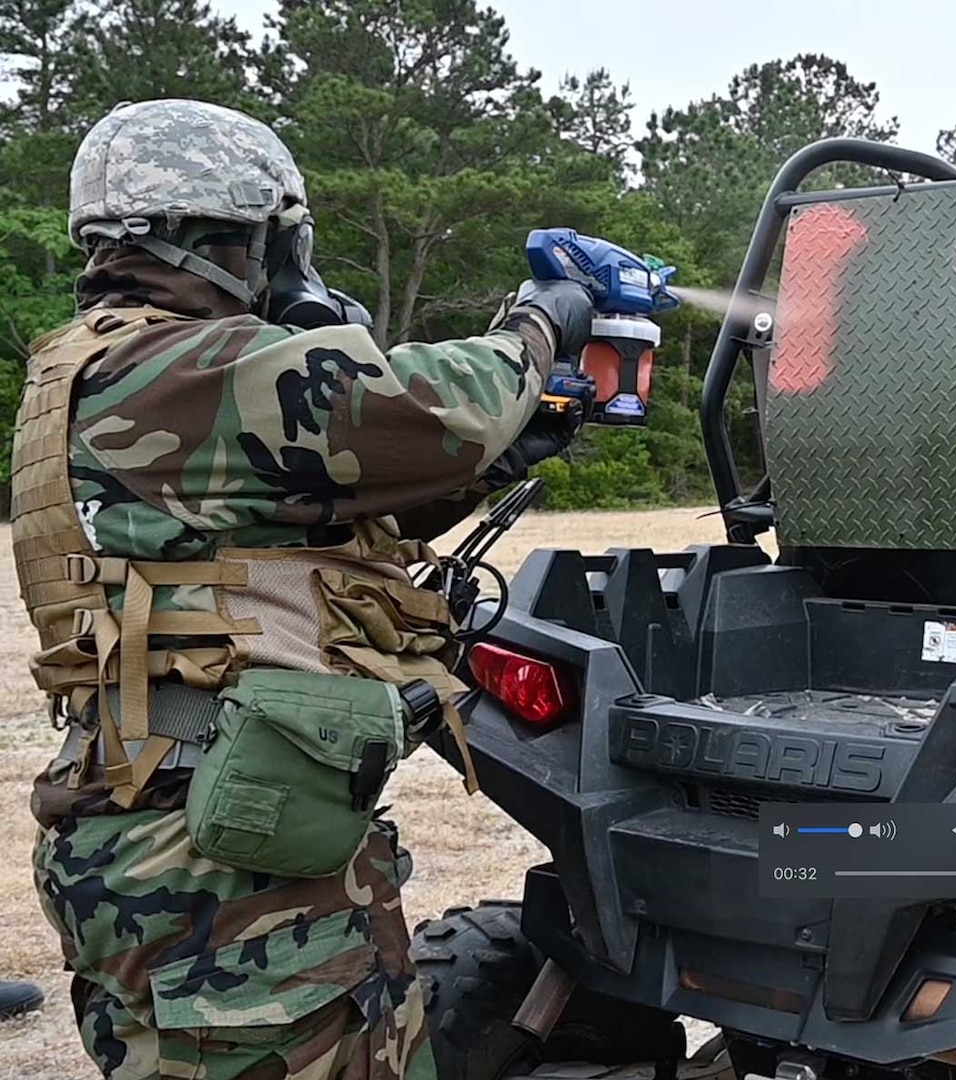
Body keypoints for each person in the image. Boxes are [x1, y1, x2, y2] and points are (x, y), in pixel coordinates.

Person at [18, 99, 596, 1079]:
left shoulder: (110, 367)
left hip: (198, 828)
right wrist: (542, 325)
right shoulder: (172, 365)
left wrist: (491, 468)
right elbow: (432, 406)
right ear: (228, 240)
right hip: (212, 861)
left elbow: (305, 528)